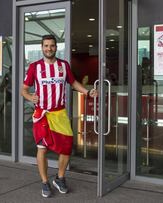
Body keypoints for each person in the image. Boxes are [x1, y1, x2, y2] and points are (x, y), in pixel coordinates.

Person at [21, 35, 97, 198]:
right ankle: (44, 182)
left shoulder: (63, 66)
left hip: (60, 113)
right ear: (42, 47)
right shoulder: (35, 67)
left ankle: (60, 177)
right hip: (42, 114)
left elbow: (74, 82)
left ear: (56, 47)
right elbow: (24, 90)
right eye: (46, 46)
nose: (49, 48)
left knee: (67, 147)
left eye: (52, 46)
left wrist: (87, 92)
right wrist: (30, 97)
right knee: (42, 148)